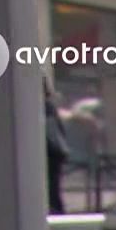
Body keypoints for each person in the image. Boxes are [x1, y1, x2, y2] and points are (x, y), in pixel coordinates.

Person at [43, 80, 69, 215]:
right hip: (55, 153)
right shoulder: (49, 107)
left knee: (52, 187)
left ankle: (57, 213)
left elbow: (52, 132)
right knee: (53, 187)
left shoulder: (46, 107)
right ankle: (57, 212)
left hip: (52, 153)